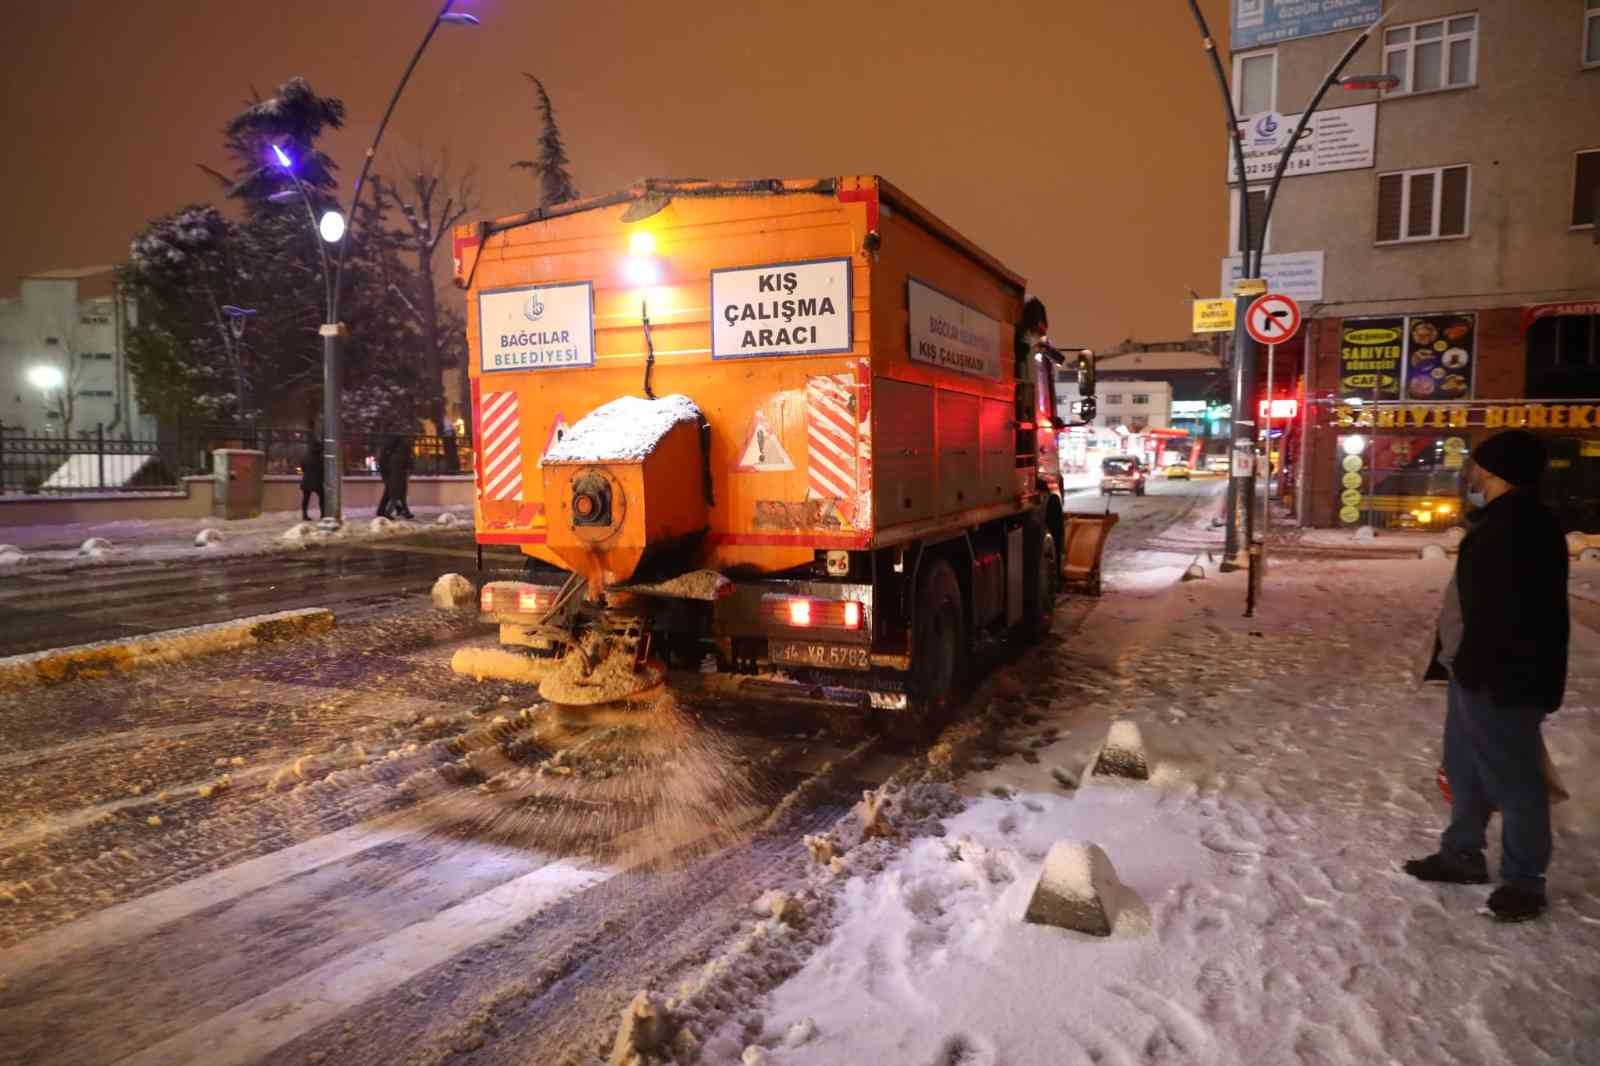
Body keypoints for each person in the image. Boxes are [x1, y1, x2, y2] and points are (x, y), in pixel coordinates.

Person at [1406, 429, 1569, 922]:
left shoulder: (1519, 528)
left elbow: (1512, 615)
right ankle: (1462, 851)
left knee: (1515, 778)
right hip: (1475, 672)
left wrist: (1478, 669)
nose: (1469, 473)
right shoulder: (1501, 521)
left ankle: (1524, 880)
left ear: (1497, 473)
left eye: (1476, 465)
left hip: (1501, 679)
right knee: (1465, 767)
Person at [375, 435, 414, 520]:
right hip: (395, 476)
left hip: (390, 474)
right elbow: (407, 466)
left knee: (391, 494)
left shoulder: (390, 451)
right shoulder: (399, 454)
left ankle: (402, 511)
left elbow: (383, 463)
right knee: (395, 495)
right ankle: (389, 512)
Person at [299, 438, 324, 522]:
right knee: (322, 497)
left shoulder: (305, 457)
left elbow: (301, 468)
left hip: (306, 481)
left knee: (306, 498)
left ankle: (304, 515)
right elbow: (324, 470)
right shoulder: (321, 459)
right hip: (318, 482)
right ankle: (323, 514)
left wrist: (302, 473)